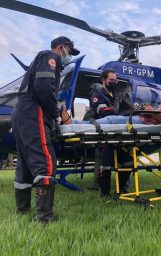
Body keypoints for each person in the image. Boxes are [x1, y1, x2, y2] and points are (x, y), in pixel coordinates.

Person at [11, 36, 80, 222]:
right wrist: (56, 114)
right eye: (69, 52)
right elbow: (43, 87)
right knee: (45, 162)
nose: (69, 57)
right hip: (35, 112)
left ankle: (22, 210)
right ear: (61, 47)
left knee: (25, 165)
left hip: (21, 113)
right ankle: (44, 217)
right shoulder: (51, 56)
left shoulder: (40, 60)